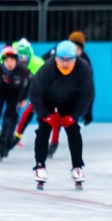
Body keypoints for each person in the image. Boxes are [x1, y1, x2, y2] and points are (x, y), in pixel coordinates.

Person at [28, 40, 95, 186]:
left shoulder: (83, 68)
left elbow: (87, 94)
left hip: (69, 101)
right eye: (61, 59)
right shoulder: (47, 68)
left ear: (75, 59)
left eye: (69, 60)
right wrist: (44, 114)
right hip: (48, 100)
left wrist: (74, 115)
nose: (65, 64)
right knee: (43, 129)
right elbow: (34, 93)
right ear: (56, 58)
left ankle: (77, 167)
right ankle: (40, 166)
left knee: (73, 130)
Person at [39, 31, 94, 157]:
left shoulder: (85, 61)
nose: (75, 51)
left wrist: (89, 110)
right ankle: (51, 142)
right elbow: (41, 63)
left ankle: (54, 142)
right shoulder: (57, 52)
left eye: (78, 49)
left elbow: (89, 87)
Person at [8, 38, 45, 151]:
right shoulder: (13, 60)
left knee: (33, 110)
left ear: (30, 56)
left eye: (25, 56)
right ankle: (11, 134)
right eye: (20, 57)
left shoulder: (38, 63)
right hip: (23, 86)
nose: (23, 59)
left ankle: (49, 139)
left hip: (40, 88)